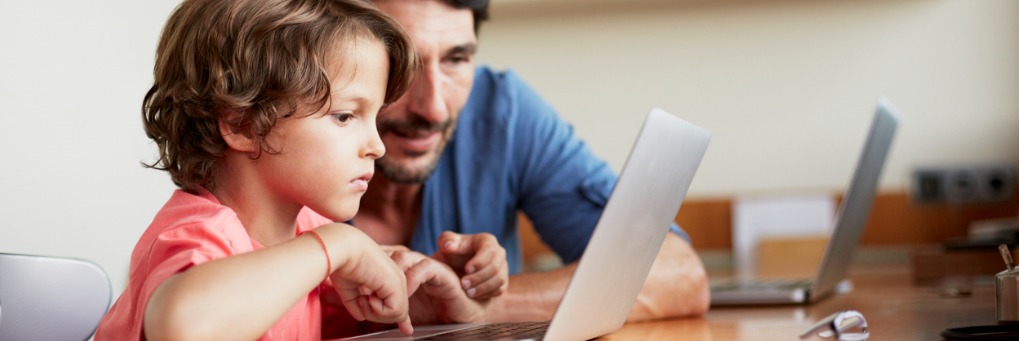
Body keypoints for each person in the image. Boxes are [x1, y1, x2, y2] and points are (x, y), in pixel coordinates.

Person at [94, 0, 505, 339]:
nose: (376, 146)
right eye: (345, 116)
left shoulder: (304, 233)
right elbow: (183, 326)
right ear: (241, 124)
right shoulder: (200, 234)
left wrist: (418, 306)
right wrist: (337, 247)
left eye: (375, 117)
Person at [354, 0, 710, 323]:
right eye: (398, 61)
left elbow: (677, 273)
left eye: (456, 59)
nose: (433, 107)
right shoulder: (299, 136)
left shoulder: (502, 113)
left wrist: (480, 305)